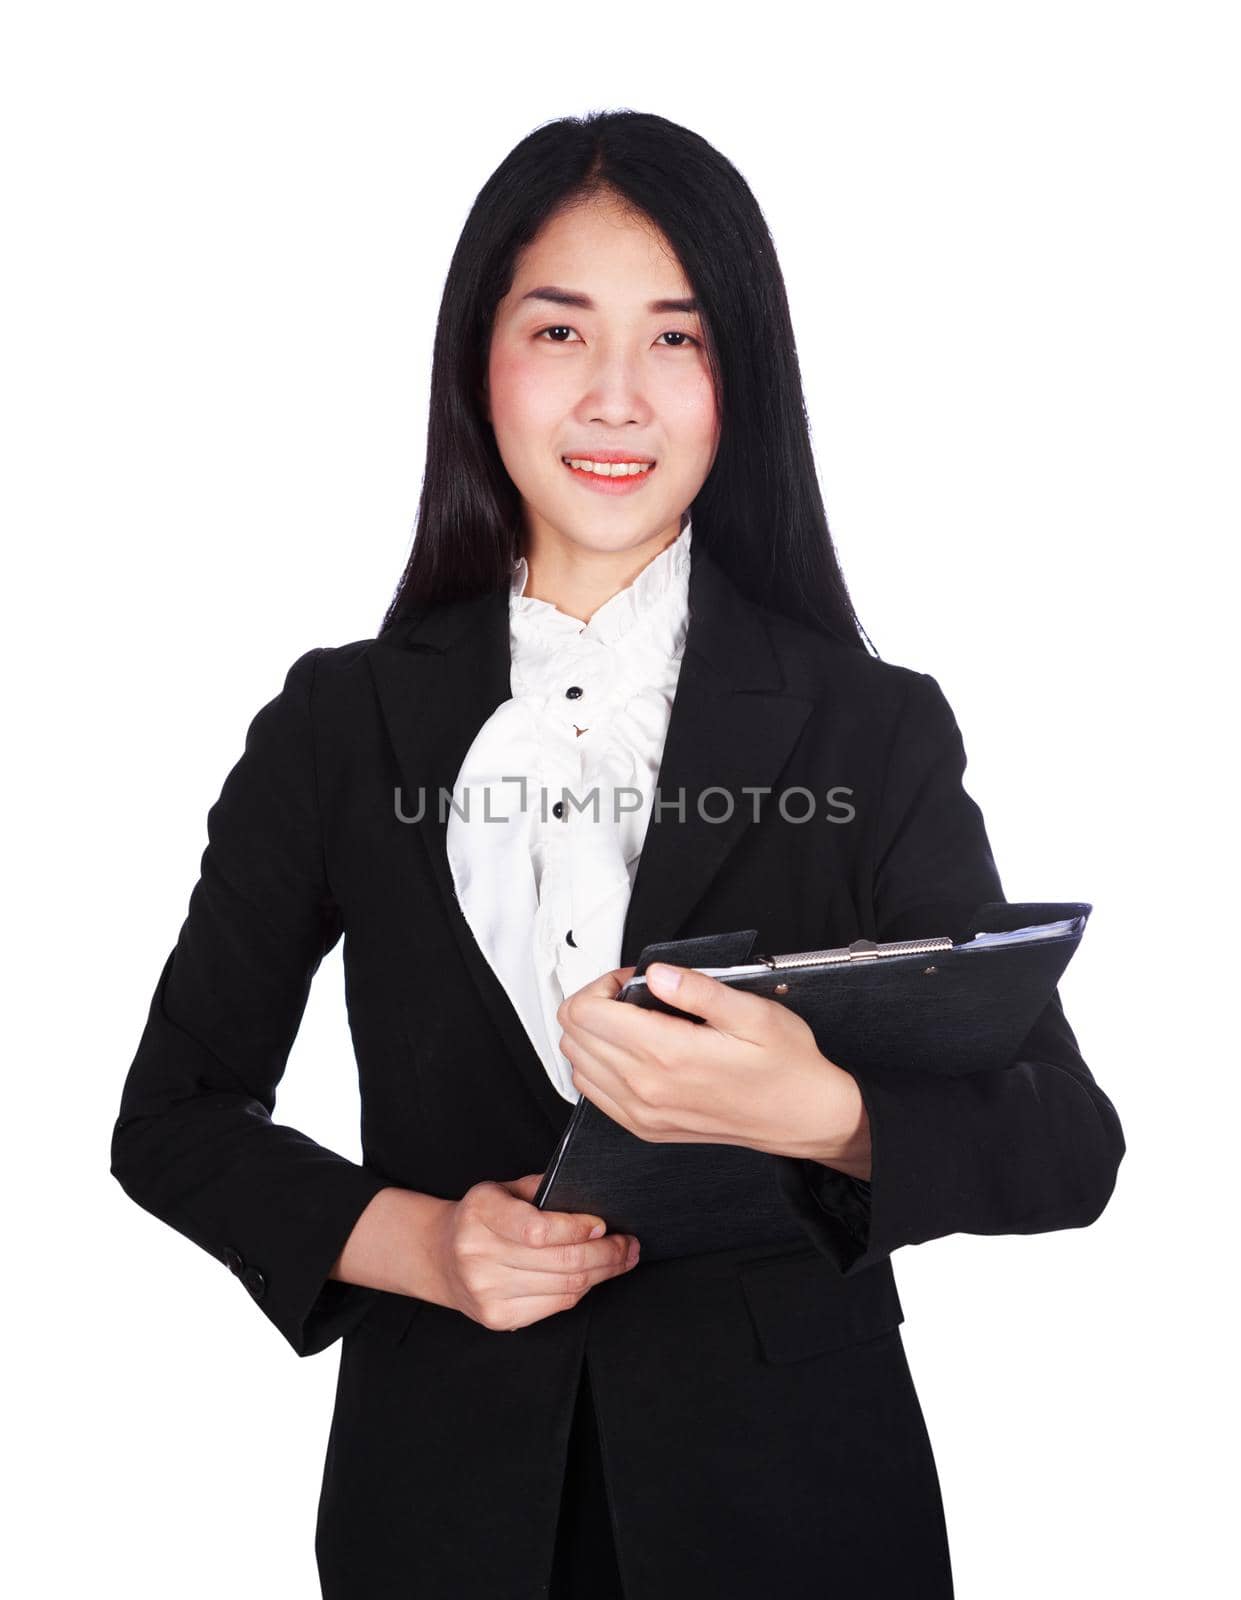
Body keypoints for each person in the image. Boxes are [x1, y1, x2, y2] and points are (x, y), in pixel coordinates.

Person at [110, 110, 1126, 1599]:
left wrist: (827, 1114)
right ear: (478, 360)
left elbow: (1064, 1141)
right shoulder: (340, 722)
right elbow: (174, 1119)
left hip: (798, 1504)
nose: (614, 397)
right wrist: (418, 1245)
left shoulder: (866, 723)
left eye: (675, 338)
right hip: (441, 1504)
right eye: (559, 329)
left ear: (740, 384)